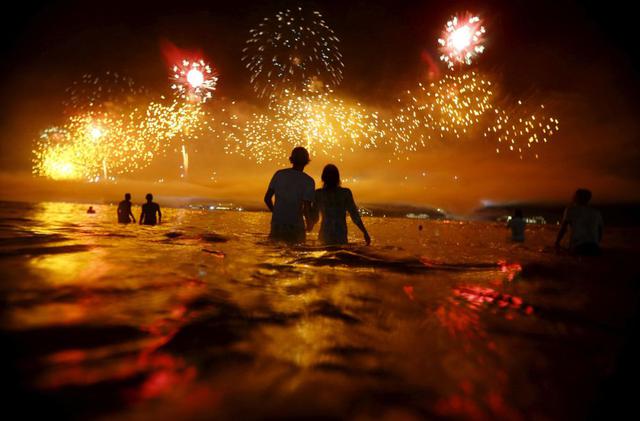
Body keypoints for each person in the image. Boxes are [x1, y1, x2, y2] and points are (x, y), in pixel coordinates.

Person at [264, 146, 315, 243]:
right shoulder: (308, 181)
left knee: (275, 253)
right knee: (296, 254)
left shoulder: (279, 174)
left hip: (277, 224)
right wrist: (309, 223)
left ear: (291, 159)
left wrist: (276, 212)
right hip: (295, 225)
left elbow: (267, 198)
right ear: (306, 161)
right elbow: (306, 208)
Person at [310, 164, 371, 245]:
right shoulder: (345, 193)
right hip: (340, 233)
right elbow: (354, 215)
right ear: (337, 178)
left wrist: (307, 222)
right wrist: (365, 232)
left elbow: (315, 218)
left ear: (323, 178)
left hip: (325, 233)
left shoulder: (318, 193)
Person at [555, 188, 603, 255]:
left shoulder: (570, 210)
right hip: (594, 247)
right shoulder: (596, 212)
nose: (572, 197)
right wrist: (596, 243)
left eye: (574, 196)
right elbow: (600, 231)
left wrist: (557, 243)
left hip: (578, 247)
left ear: (576, 198)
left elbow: (563, 228)